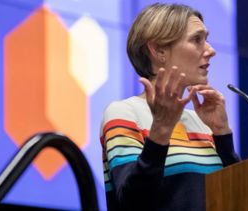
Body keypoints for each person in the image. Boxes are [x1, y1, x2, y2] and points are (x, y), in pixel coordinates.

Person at [100, 3, 240, 211]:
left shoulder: (201, 122)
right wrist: (161, 130)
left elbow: (242, 197)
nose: (211, 51)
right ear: (159, 50)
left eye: (206, 39)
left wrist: (222, 135)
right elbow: (132, 202)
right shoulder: (123, 113)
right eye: (196, 39)